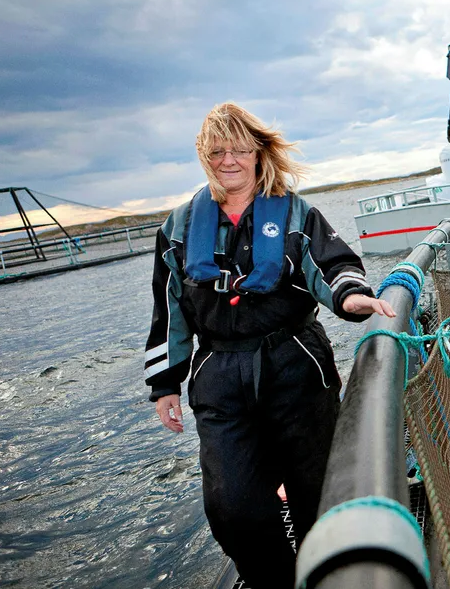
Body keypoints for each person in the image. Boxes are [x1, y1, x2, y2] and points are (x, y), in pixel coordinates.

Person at [144, 102, 395, 589]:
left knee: (316, 493)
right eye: (217, 152)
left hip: (296, 362)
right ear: (204, 157)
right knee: (232, 507)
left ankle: (328, 577)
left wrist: (353, 297)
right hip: (219, 373)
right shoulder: (177, 228)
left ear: (258, 154)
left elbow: (333, 265)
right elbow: (168, 309)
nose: (228, 161)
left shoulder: (297, 213)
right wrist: (165, 384)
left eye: (239, 150)